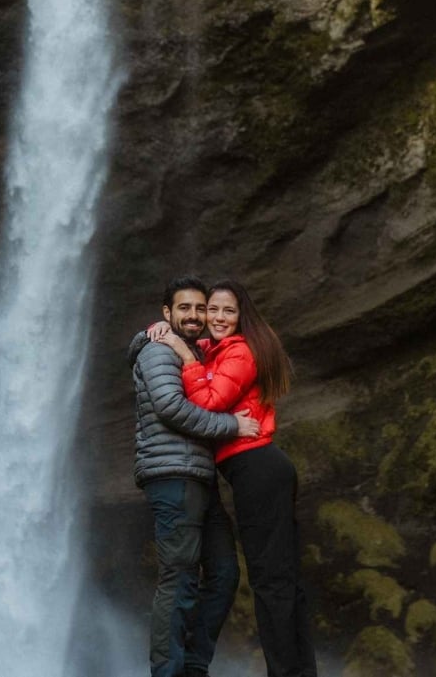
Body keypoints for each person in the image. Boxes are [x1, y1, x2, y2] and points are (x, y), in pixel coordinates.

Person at [149, 278, 318, 677]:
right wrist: (160, 333)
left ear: (242, 316)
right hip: (258, 471)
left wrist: (183, 357)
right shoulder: (221, 349)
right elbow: (198, 346)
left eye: (228, 310)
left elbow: (207, 401)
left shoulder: (240, 352)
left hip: (258, 468)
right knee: (283, 582)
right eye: (212, 310)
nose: (217, 318)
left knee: (271, 583)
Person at [129, 275, 260, 677]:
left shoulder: (191, 352)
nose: (195, 315)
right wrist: (231, 426)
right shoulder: (158, 350)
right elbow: (170, 407)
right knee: (180, 577)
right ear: (166, 313)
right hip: (173, 476)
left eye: (200, 308)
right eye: (184, 308)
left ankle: (192, 667)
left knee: (223, 574)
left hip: (198, 478)